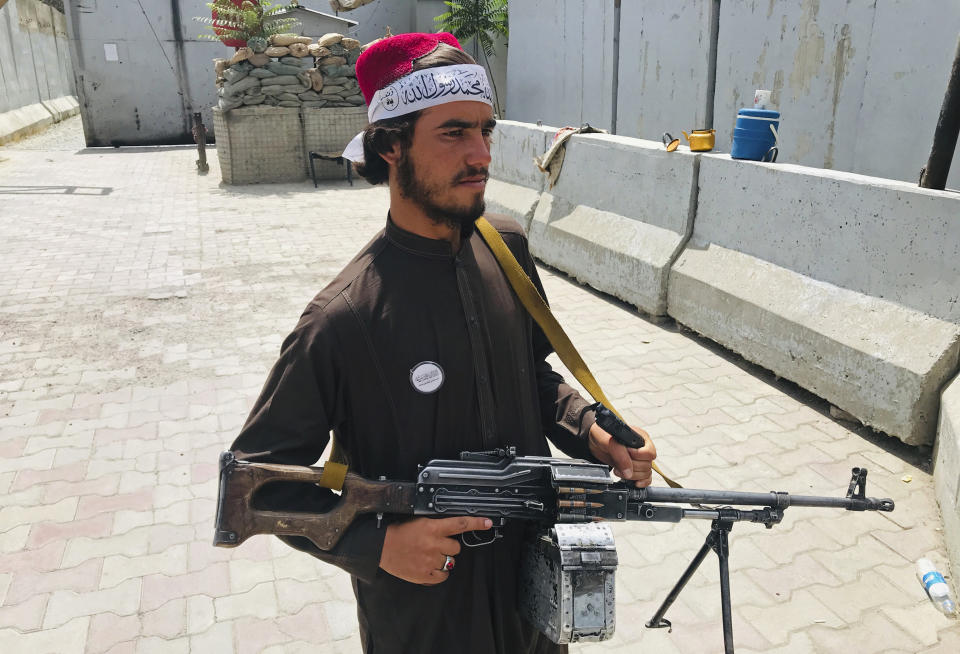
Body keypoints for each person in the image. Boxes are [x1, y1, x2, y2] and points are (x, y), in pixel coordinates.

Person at [229, 32, 657, 654]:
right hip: (424, 618)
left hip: (534, 595)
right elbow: (256, 483)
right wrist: (375, 545)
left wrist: (590, 428)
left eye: (486, 131)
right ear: (392, 147)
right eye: (454, 133)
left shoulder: (505, 248)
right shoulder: (342, 318)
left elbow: (530, 374)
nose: (481, 153)